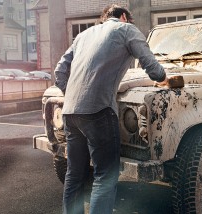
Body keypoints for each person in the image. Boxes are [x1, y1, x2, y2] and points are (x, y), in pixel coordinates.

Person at [54, 4, 168, 214]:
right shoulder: (126, 29)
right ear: (124, 16)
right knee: (105, 177)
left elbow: (59, 70)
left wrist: (71, 95)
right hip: (99, 112)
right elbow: (152, 68)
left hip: (70, 112)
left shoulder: (83, 35)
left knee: (75, 174)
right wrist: (163, 78)